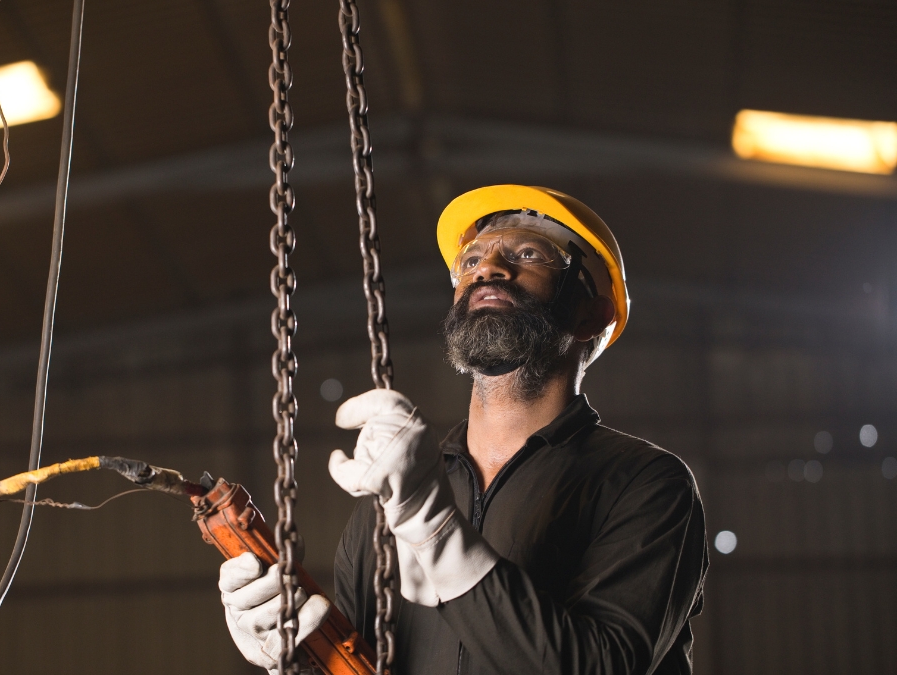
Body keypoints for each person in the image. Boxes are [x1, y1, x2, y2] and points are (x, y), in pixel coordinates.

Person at [219, 185, 709, 675]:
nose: (488, 268)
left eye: (528, 254)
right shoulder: (395, 496)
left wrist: (435, 532)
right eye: (470, 260)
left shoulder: (646, 484)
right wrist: (298, 659)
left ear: (591, 316)